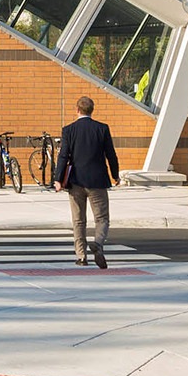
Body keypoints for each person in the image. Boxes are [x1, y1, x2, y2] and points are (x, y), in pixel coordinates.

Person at [52, 95, 121, 267]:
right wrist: (115, 174)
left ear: (77, 110)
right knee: (102, 218)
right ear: (92, 110)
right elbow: (110, 155)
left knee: (78, 220)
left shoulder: (69, 130)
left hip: (76, 181)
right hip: (97, 181)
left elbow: (63, 156)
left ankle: (81, 256)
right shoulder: (102, 129)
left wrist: (58, 179)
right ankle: (97, 243)